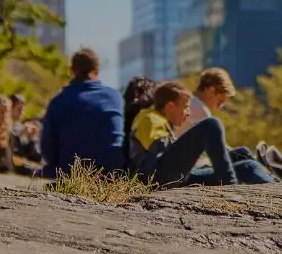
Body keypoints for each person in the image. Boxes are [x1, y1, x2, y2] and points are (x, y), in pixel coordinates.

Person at [129, 81, 258, 187]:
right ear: (170, 106)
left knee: (244, 160)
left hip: (178, 177)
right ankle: (229, 184)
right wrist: (196, 151)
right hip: (156, 177)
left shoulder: (163, 124)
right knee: (210, 125)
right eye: (185, 107)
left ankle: (274, 183)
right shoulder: (149, 118)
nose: (188, 113)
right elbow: (160, 147)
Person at [39, 47, 125, 178]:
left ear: (71, 71)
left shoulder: (58, 101)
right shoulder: (115, 97)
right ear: (96, 70)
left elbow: (47, 149)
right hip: (112, 174)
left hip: (71, 173)